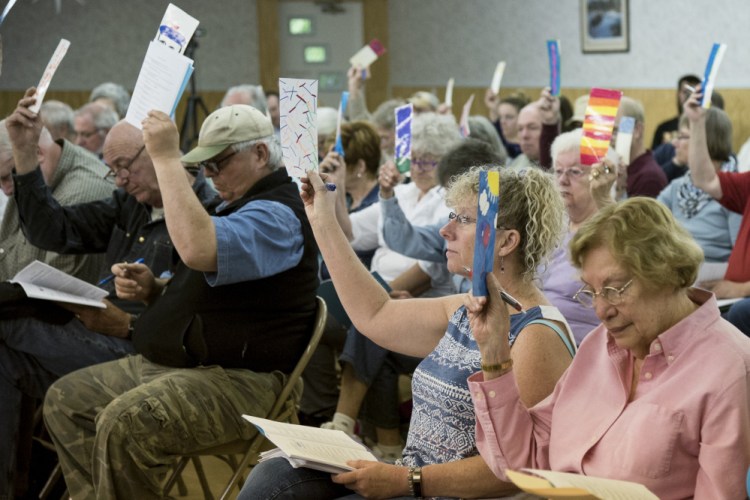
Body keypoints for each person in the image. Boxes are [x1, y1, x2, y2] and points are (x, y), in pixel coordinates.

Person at [238, 166, 576, 499]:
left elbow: (516, 471)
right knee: (277, 473)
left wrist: (408, 480)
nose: (446, 230)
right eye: (451, 216)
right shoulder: (466, 306)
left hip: (430, 489)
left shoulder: (538, 334)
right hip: (412, 481)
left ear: (507, 241)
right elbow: (375, 314)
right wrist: (321, 219)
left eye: (464, 219)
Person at [43, 104, 319, 498]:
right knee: (66, 400)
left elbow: (198, 248)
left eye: (218, 163)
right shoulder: (240, 204)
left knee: (124, 423)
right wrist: (157, 288)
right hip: (188, 366)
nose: (209, 175)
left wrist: (166, 158)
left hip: (242, 381)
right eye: (203, 166)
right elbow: (216, 280)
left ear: (259, 154)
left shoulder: (278, 214)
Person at [468, 197, 750, 499]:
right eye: (591, 292)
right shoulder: (599, 345)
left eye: (615, 289)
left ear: (669, 272)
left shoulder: (730, 370)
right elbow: (524, 458)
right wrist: (495, 351)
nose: (601, 310)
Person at [1, 103, 215, 496]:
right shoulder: (131, 204)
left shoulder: (206, 213)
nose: (118, 181)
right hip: (101, 340)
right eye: (112, 170)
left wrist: (132, 321)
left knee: (7, 324)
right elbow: (54, 230)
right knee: (3, 354)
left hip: (146, 356)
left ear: (156, 152)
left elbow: (198, 318)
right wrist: (26, 158)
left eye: (123, 168)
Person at [0, 99, 114, 282]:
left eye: (6, 177)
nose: (5, 190)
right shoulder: (24, 174)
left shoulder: (83, 193)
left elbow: (53, 293)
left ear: (36, 153)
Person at [685, 87, 750, 335]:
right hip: (727, 299)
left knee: (740, 313)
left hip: (739, 303)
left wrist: (741, 289)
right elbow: (704, 179)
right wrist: (698, 122)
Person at [546, 128, 616, 344]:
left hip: (580, 347)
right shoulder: (550, 226)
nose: (563, 180)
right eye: (558, 171)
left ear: (600, 177)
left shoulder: (610, 230)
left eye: (575, 172)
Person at [658, 108, 740, 263]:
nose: (675, 143)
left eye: (682, 136)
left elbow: (742, 256)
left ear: (704, 141)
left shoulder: (735, 190)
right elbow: (645, 222)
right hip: (675, 270)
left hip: (714, 277)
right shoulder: (677, 187)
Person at [615, 96, 667, 198]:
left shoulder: (649, 178)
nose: (608, 138)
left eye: (615, 130)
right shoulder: (624, 169)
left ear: (637, 130)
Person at [651, 74, 701, 149]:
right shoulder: (664, 128)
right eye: (685, 92)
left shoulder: (705, 128)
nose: (689, 96)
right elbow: (654, 157)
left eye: (693, 92)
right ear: (678, 94)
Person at [484, 90, 530, 159]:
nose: (502, 121)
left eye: (509, 117)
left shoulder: (527, 147)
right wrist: (493, 109)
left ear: (522, 117)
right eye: (500, 117)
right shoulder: (496, 141)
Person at [508, 102, 543, 168]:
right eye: (520, 129)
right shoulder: (518, 161)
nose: (524, 135)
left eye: (532, 128)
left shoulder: (561, 166)